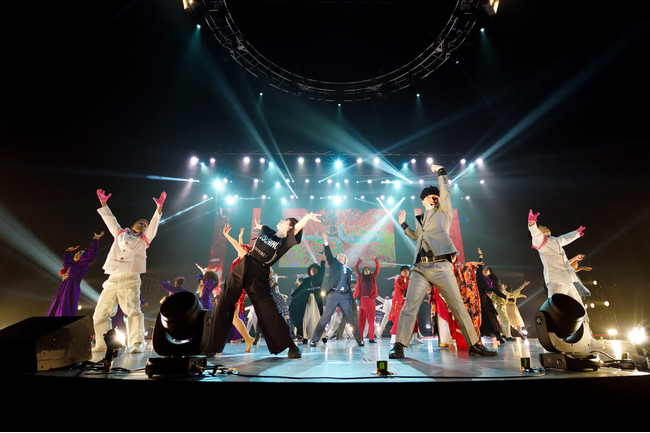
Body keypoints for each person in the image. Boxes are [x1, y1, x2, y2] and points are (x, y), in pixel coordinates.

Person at [389, 164, 496, 359]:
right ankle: (399, 345)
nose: (434, 198)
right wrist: (403, 224)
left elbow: (445, 193)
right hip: (420, 267)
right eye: (430, 196)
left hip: (441, 266)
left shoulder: (444, 212)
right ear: (423, 200)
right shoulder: (420, 219)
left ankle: (474, 344)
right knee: (409, 305)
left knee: (458, 305)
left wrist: (441, 173)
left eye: (435, 196)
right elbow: (417, 237)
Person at [205, 212, 322, 358]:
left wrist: (308, 217)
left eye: (286, 221)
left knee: (269, 311)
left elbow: (297, 227)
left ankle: (291, 346)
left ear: (290, 229)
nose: (282, 220)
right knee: (224, 303)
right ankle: (212, 347)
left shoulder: (285, 242)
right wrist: (258, 225)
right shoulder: (268, 231)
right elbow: (262, 227)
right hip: (244, 265)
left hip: (258, 274)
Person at [92, 188, 165, 354]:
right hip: (113, 278)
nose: (143, 225)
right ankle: (102, 343)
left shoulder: (144, 240)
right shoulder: (120, 234)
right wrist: (103, 203)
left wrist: (159, 209)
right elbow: (110, 220)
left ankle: (137, 342)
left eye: (145, 225)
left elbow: (154, 225)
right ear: (133, 225)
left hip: (131, 278)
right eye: (141, 222)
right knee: (100, 312)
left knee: (133, 311)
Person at [309, 232, 364, 347]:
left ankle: (359, 340)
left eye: (342, 256)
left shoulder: (348, 270)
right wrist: (325, 241)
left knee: (352, 319)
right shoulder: (334, 263)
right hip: (334, 294)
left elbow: (348, 284)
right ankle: (314, 340)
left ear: (345, 260)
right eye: (338, 255)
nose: (340, 256)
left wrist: (350, 298)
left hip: (345, 296)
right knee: (325, 318)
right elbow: (328, 254)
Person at [527, 209, 587, 302]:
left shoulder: (554, 240)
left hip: (568, 279)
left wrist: (576, 233)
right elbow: (535, 233)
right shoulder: (539, 241)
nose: (546, 227)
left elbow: (564, 238)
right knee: (555, 305)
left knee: (578, 305)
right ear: (538, 231)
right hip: (556, 282)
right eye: (542, 227)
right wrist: (531, 223)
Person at [47, 232, 104, 317]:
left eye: (80, 252)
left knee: (65, 305)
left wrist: (95, 239)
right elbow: (65, 262)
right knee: (57, 304)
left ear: (84, 256)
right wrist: (68, 251)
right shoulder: (72, 265)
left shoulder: (82, 264)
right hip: (64, 286)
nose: (77, 253)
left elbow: (91, 254)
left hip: (72, 286)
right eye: (77, 252)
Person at [221, 223, 255, 352]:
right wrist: (240, 236)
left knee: (233, 317)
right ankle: (248, 338)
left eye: (244, 248)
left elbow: (236, 245)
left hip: (236, 288)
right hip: (235, 287)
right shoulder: (242, 257)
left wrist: (226, 235)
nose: (241, 248)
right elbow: (239, 245)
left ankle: (247, 338)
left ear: (247, 251)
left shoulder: (244, 257)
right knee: (233, 317)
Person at [289, 257, 326, 343]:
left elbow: (323, 269)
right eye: (312, 269)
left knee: (318, 317)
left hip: (316, 300)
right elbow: (300, 288)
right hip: (307, 300)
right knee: (307, 317)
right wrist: (293, 295)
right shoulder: (306, 280)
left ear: (318, 271)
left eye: (315, 269)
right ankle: (305, 336)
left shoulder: (319, 277)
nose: (313, 271)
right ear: (309, 271)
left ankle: (322, 336)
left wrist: (323, 260)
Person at [475, 249, 506, 342]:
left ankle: (498, 335)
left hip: (485, 300)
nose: (485, 271)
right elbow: (479, 267)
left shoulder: (490, 282)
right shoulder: (479, 277)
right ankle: (478, 337)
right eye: (484, 270)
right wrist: (481, 257)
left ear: (490, 273)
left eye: (487, 270)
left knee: (491, 317)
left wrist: (505, 296)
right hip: (476, 299)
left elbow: (495, 291)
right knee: (478, 318)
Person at [388, 266, 419, 344]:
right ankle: (393, 336)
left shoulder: (410, 279)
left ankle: (415, 337)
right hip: (400, 302)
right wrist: (407, 281)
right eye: (404, 271)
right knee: (398, 319)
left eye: (407, 271)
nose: (406, 272)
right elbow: (403, 287)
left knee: (414, 318)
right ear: (401, 272)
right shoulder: (398, 279)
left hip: (408, 301)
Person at [353, 255, 380, 343]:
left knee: (371, 320)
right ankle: (360, 338)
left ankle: (371, 338)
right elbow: (356, 268)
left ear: (370, 271)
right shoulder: (360, 277)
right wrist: (360, 260)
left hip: (371, 300)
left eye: (368, 269)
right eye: (365, 269)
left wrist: (375, 260)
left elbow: (377, 269)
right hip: (363, 301)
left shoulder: (373, 277)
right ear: (363, 271)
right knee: (361, 321)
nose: (367, 270)